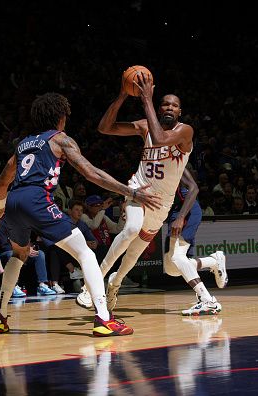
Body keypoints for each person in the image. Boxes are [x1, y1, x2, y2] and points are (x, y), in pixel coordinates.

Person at [0, 92, 160, 336]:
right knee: (85, 253)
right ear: (61, 117)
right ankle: (103, 318)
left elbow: (2, 181)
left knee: (19, 254)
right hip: (36, 199)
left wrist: (0, 210)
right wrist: (131, 192)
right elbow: (91, 173)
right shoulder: (60, 139)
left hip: (14, 201)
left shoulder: (23, 144)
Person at [91, 72, 202, 312]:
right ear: (160, 108)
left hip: (161, 203)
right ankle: (93, 282)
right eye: (165, 103)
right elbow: (104, 127)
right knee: (130, 228)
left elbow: (161, 138)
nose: (169, 107)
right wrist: (122, 95)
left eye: (174, 105)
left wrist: (147, 100)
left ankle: (115, 282)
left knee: (136, 252)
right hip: (138, 189)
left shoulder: (185, 131)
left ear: (180, 112)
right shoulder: (144, 125)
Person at [77, 169, 228, 315]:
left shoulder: (175, 161)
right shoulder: (149, 169)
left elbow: (194, 189)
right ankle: (212, 261)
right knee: (171, 268)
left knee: (177, 257)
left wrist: (181, 217)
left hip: (186, 211)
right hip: (174, 211)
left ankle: (207, 299)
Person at [0, 215, 57, 297]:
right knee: (11, 254)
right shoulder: (1, 225)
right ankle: (13, 286)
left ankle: (42, 284)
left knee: (39, 254)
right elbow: (4, 246)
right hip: (6, 254)